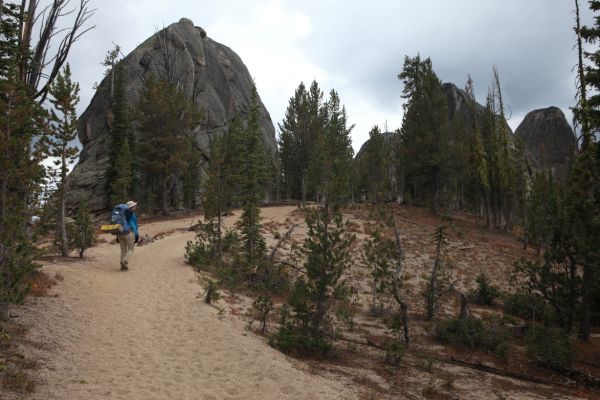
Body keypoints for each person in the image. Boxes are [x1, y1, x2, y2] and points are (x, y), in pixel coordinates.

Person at [116, 200, 139, 271]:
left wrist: (117, 236)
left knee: (123, 250)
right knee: (131, 249)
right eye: (134, 206)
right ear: (132, 207)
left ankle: (123, 267)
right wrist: (136, 234)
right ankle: (124, 261)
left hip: (120, 233)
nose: (135, 207)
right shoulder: (132, 214)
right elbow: (133, 225)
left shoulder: (121, 214)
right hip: (129, 233)